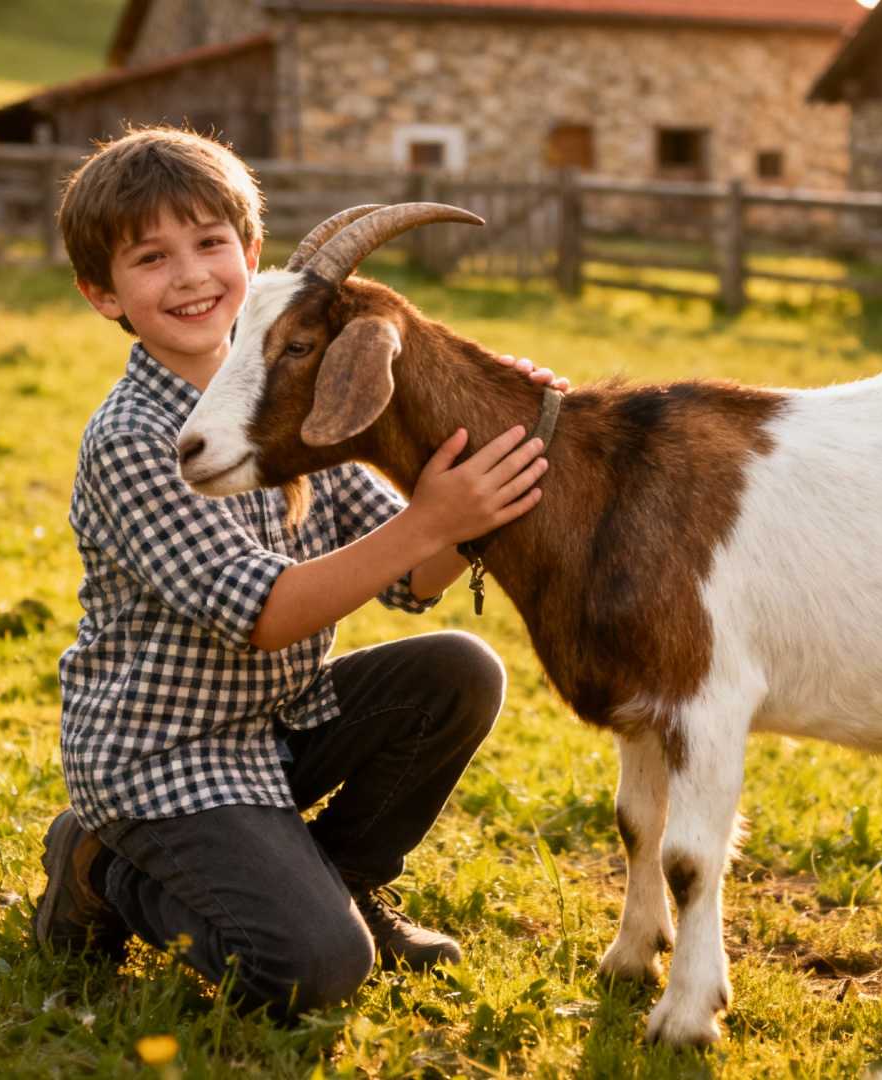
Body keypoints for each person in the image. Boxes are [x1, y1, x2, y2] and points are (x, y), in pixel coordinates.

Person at [32, 126, 566, 1018]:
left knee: (458, 672)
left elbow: (408, 577)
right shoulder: (133, 439)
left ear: (251, 256)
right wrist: (433, 519)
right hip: (164, 760)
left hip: (279, 726)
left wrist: (485, 458)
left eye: (210, 244)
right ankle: (102, 871)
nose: (191, 276)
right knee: (314, 971)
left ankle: (347, 878)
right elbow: (266, 614)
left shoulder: (292, 394)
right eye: (152, 258)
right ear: (103, 294)